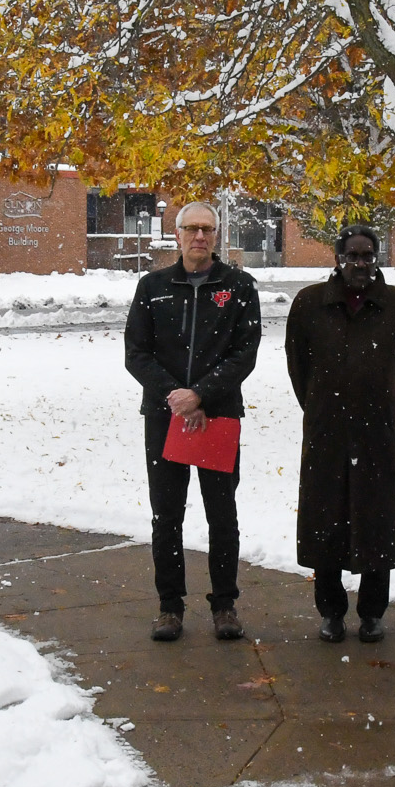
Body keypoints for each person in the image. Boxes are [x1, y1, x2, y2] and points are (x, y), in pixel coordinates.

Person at [124, 202, 262, 642]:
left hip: (218, 417)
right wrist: (176, 396)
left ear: (216, 236)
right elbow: (136, 353)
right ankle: (170, 607)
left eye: (207, 229)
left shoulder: (239, 286)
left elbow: (245, 352)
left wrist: (202, 393)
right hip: (164, 419)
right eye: (191, 229)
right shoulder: (153, 286)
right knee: (167, 516)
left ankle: (225, 605)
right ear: (177, 234)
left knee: (222, 515)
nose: (199, 237)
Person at [286, 225, 395, 642]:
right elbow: (297, 364)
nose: (360, 264)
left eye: (367, 256)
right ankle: (330, 610)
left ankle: (373, 611)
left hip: (376, 431)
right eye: (352, 256)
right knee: (325, 518)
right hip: (326, 430)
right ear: (337, 258)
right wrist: (320, 404)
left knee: (375, 519)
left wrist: (384, 402)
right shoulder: (310, 304)